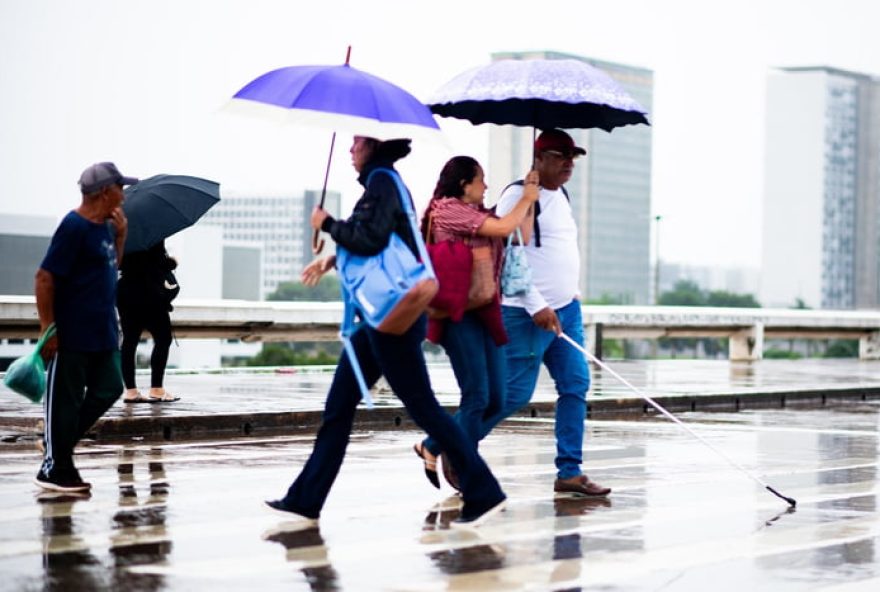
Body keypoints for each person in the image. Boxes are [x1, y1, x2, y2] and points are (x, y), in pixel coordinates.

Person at [265, 136, 506, 527]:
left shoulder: (382, 180)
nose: (350, 150)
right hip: (378, 318)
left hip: (394, 318)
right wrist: (331, 257)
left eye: (356, 143)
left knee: (423, 408)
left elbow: (369, 237)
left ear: (373, 148)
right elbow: (378, 239)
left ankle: (485, 491)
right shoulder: (385, 181)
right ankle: (304, 499)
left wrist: (326, 223)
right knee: (338, 409)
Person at [492, 129, 611, 497]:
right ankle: (446, 445)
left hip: (566, 309)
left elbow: (557, 249)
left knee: (575, 384)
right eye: (561, 157)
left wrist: (568, 292)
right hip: (526, 313)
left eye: (572, 158)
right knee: (514, 395)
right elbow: (510, 257)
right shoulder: (517, 195)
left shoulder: (562, 194)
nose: (568, 165)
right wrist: (536, 303)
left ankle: (569, 472)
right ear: (539, 158)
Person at [412, 156, 539, 489]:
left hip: (483, 308)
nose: (485, 186)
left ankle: (434, 445)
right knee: (477, 397)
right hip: (458, 314)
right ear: (463, 184)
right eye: (480, 180)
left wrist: (532, 198)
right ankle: (468, 472)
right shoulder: (447, 210)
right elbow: (501, 228)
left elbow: (519, 234)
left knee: (499, 396)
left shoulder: (482, 214)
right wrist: (524, 199)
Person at [34, 162, 137, 492]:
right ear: (107, 192)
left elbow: (110, 267)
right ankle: (55, 468)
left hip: (103, 331)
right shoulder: (74, 226)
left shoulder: (107, 228)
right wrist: (49, 329)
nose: (124, 195)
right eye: (121, 188)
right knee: (65, 400)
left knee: (110, 388)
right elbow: (45, 277)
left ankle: (57, 444)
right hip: (72, 333)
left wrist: (121, 238)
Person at [117, 240, 178, 403]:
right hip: (151, 291)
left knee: (129, 341)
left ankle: (131, 391)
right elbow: (158, 262)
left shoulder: (122, 230)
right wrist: (172, 262)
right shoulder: (153, 233)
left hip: (126, 291)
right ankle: (157, 389)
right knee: (163, 338)